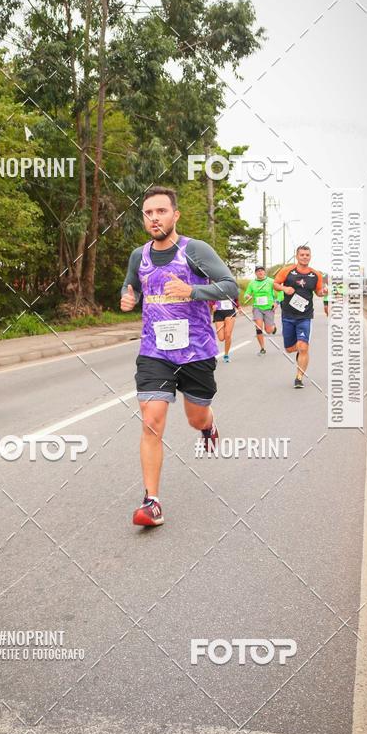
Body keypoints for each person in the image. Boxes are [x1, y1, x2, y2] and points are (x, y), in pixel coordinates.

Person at [120, 186, 239, 527]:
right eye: (148, 213)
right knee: (151, 420)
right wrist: (127, 298)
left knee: (195, 418)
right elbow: (131, 286)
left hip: (196, 350)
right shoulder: (137, 256)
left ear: (175, 215)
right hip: (154, 351)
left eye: (161, 211)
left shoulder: (195, 250)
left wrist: (193, 291)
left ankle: (209, 426)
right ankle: (151, 502)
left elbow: (230, 286)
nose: (154, 218)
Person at [273, 246, 326, 388]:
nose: (305, 257)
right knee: (290, 349)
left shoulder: (316, 275)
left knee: (303, 347)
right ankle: (299, 351)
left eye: (307, 255)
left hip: (305, 316)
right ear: (297, 256)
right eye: (302, 254)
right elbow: (275, 284)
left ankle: (299, 377)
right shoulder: (287, 271)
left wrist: (324, 292)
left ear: (310, 256)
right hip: (288, 315)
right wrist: (284, 288)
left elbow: (319, 292)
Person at [241, 265, 282, 355]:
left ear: (264, 272)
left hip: (269, 308)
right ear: (255, 273)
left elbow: (281, 292)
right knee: (258, 328)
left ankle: (273, 327)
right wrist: (247, 296)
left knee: (268, 331)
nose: (260, 272)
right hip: (257, 308)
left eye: (262, 271)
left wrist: (277, 302)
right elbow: (246, 293)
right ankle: (262, 348)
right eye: (258, 271)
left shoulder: (271, 281)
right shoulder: (252, 283)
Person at [213, 294, 240, 362]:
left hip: (230, 312)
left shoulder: (230, 286)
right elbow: (211, 298)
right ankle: (225, 327)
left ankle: (226, 355)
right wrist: (212, 305)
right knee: (221, 338)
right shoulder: (215, 286)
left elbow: (235, 298)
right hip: (218, 312)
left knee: (228, 335)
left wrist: (238, 306)